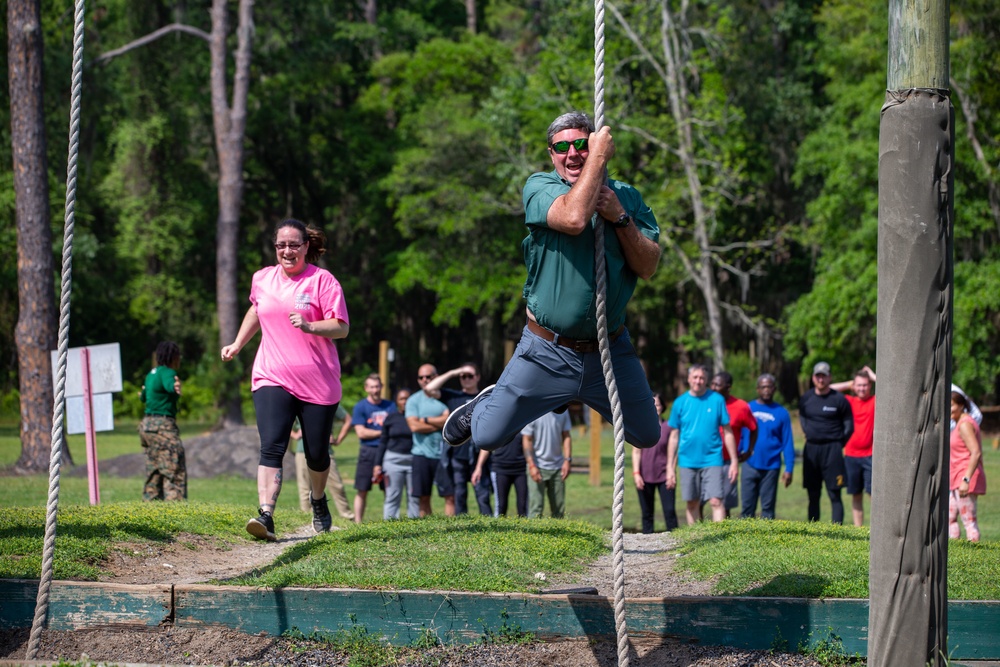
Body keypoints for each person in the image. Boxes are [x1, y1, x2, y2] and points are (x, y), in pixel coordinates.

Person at [443, 112, 662, 456]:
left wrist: (620, 218)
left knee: (647, 435)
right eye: (562, 147)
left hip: (610, 349)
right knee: (486, 437)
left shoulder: (627, 197)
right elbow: (574, 218)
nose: (572, 153)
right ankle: (491, 398)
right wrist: (600, 158)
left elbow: (648, 265)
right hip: (546, 351)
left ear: (592, 144)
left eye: (581, 144)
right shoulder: (540, 187)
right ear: (551, 154)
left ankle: (559, 395)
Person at [221, 218, 349, 541]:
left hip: (318, 382)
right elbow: (256, 309)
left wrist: (311, 326)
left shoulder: (323, 281)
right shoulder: (262, 279)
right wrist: (238, 343)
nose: (287, 251)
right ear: (275, 247)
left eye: (294, 244)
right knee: (272, 446)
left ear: (306, 246)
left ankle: (318, 501)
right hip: (271, 375)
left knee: (316, 454)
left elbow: (342, 326)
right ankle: (266, 515)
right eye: (281, 245)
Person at [666, 365, 738, 524]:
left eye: (702, 378)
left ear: (706, 380)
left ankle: (717, 541)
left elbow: (728, 432)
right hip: (687, 460)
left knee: (716, 501)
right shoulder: (680, 402)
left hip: (712, 459)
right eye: (695, 377)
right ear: (689, 379)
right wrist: (670, 467)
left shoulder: (717, 400)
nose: (698, 381)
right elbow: (674, 436)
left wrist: (734, 461)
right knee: (692, 502)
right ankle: (695, 540)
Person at [424, 363, 484, 515]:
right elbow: (429, 389)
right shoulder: (454, 396)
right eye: (463, 376)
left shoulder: (483, 397)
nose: (466, 379)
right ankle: (463, 526)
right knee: (459, 494)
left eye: (470, 375)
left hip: (479, 453)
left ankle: (489, 523)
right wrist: (453, 372)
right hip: (457, 454)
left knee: (482, 495)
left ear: (477, 377)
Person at [798, 361, 853, 524]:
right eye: (818, 376)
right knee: (813, 494)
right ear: (813, 378)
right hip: (812, 449)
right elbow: (802, 417)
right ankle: (813, 530)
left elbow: (849, 425)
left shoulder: (839, 399)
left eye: (824, 376)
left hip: (833, 450)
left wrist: (839, 443)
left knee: (834, 493)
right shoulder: (806, 398)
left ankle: (837, 531)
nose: (821, 380)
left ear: (830, 377)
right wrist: (809, 432)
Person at [139, 341, 187, 501]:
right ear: (173, 357)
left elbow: (143, 397)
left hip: (146, 426)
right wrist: (175, 387)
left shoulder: (150, 374)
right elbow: (170, 385)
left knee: (155, 469)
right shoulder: (168, 372)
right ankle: (176, 510)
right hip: (162, 427)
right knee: (174, 469)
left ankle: (150, 508)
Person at [742, 374, 795, 519]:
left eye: (769, 387)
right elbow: (740, 435)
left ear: (774, 389)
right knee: (747, 508)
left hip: (771, 466)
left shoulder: (782, 413)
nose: (766, 390)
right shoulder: (748, 408)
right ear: (758, 389)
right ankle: (744, 539)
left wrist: (789, 468)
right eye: (763, 387)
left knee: (768, 509)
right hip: (749, 464)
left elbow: (788, 442)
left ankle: (767, 540)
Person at [405, 364, 453, 517]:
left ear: (436, 377)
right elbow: (414, 426)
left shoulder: (445, 398)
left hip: (443, 454)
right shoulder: (413, 400)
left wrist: (424, 420)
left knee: (450, 496)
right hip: (421, 455)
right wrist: (439, 425)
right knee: (424, 497)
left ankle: (452, 529)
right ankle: (427, 529)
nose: (424, 380)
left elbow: (449, 420)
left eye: (428, 376)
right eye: (421, 377)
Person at [830, 366, 876, 527]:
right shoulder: (848, 401)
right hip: (851, 455)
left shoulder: (875, 400)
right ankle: (859, 529)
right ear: (854, 387)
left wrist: (872, 375)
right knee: (856, 494)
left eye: (865, 384)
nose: (862, 388)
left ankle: (876, 528)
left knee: (874, 494)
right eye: (859, 385)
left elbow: (891, 389)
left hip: (871, 455)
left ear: (870, 386)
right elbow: (827, 388)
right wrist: (850, 383)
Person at [291, 410, 355, 520]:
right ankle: (307, 518)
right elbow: (279, 418)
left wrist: (337, 440)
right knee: (305, 489)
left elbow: (348, 420)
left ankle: (348, 518)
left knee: (336, 486)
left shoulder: (326, 397)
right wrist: (294, 434)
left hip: (325, 450)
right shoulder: (297, 398)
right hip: (302, 450)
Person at [710, 372, 758, 517]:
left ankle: (725, 533)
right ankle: (699, 530)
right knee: (702, 499)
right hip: (707, 459)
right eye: (712, 384)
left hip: (727, 461)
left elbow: (754, 428)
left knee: (726, 502)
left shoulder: (740, 406)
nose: (713, 388)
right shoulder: (706, 402)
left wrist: (749, 450)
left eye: (717, 385)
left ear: (728, 387)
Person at [351, 373, 395, 523]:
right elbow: (361, 432)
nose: (375, 390)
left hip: (387, 452)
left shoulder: (390, 406)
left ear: (381, 387)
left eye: (377, 386)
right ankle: (357, 523)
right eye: (372, 387)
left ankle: (389, 521)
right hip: (367, 452)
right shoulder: (360, 407)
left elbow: (395, 428)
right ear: (366, 388)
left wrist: (376, 433)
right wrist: (383, 432)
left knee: (388, 490)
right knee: (362, 489)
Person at [632, 392, 678, 533]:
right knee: (647, 513)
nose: (654, 407)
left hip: (664, 474)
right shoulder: (640, 427)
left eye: (657, 404)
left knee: (669, 511)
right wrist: (636, 473)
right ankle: (647, 541)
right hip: (645, 475)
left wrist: (671, 471)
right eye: (651, 404)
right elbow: (636, 451)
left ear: (662, 407)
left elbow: (673, 452)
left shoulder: (669, 427)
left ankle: (675, 539)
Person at [374, 388, 421, 520]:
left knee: (414, 496)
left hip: (413, 460)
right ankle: (390, 524)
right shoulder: (391, 418)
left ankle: (415, 524)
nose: (405, 402)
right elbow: (383, 442)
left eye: (407, 398)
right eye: (402, 399)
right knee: (392, 495)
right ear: (397, 402)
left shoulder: (417, 417)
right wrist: (377, 464)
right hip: (393, 461)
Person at [949, 390, 987, 542]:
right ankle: (953, 550)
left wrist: (966, 479)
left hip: (964, 477)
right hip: (956, 477)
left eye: (951, 405)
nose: (948, 409)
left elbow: (976, 452)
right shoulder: (961, 422)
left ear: (961, 405)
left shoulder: (964, 424)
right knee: (949, 518)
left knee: (969, 521)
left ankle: (975, 557)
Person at [522, 410, 573, 518]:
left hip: (558, 467)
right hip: (537, 466)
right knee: (536, 509)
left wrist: (567, 460)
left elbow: (566, 436)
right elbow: (527, 439)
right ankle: (534, 534)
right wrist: (531, 465)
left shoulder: (563, 410)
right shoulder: (533, 410)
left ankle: (559, 533)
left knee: (558, 510)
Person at [473, 434, 528, 517]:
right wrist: (478, 467)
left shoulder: (522, 423)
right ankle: (499, 528)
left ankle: (524, 528)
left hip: (521, 469)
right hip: (500, 469)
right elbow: (486, 447)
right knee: (501, 506)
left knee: (522, 505)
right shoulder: (498, 425)